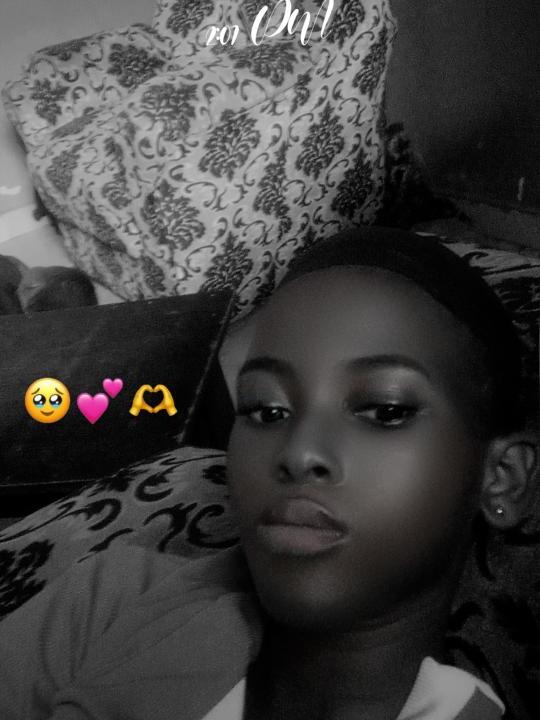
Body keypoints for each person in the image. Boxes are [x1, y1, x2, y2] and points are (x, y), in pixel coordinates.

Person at [0, 227, 536, 719]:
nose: (299, 452)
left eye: (384, 410)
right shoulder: (110, 598)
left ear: (502, 477)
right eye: (266, 410)